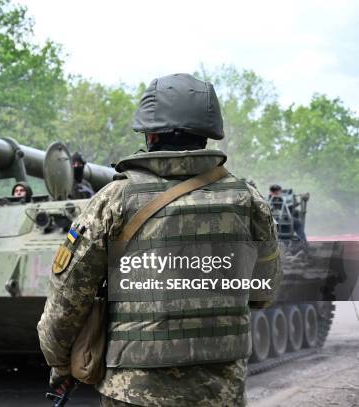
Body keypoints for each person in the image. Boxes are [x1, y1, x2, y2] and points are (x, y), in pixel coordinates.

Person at [37, 73, 282, 406]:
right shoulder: (248, 200)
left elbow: (68, 297)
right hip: (220, 390)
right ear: (208, 134)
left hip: (134, 390)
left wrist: (59, 362)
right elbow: (263, 293)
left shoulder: (113, 200)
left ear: (150, 133)